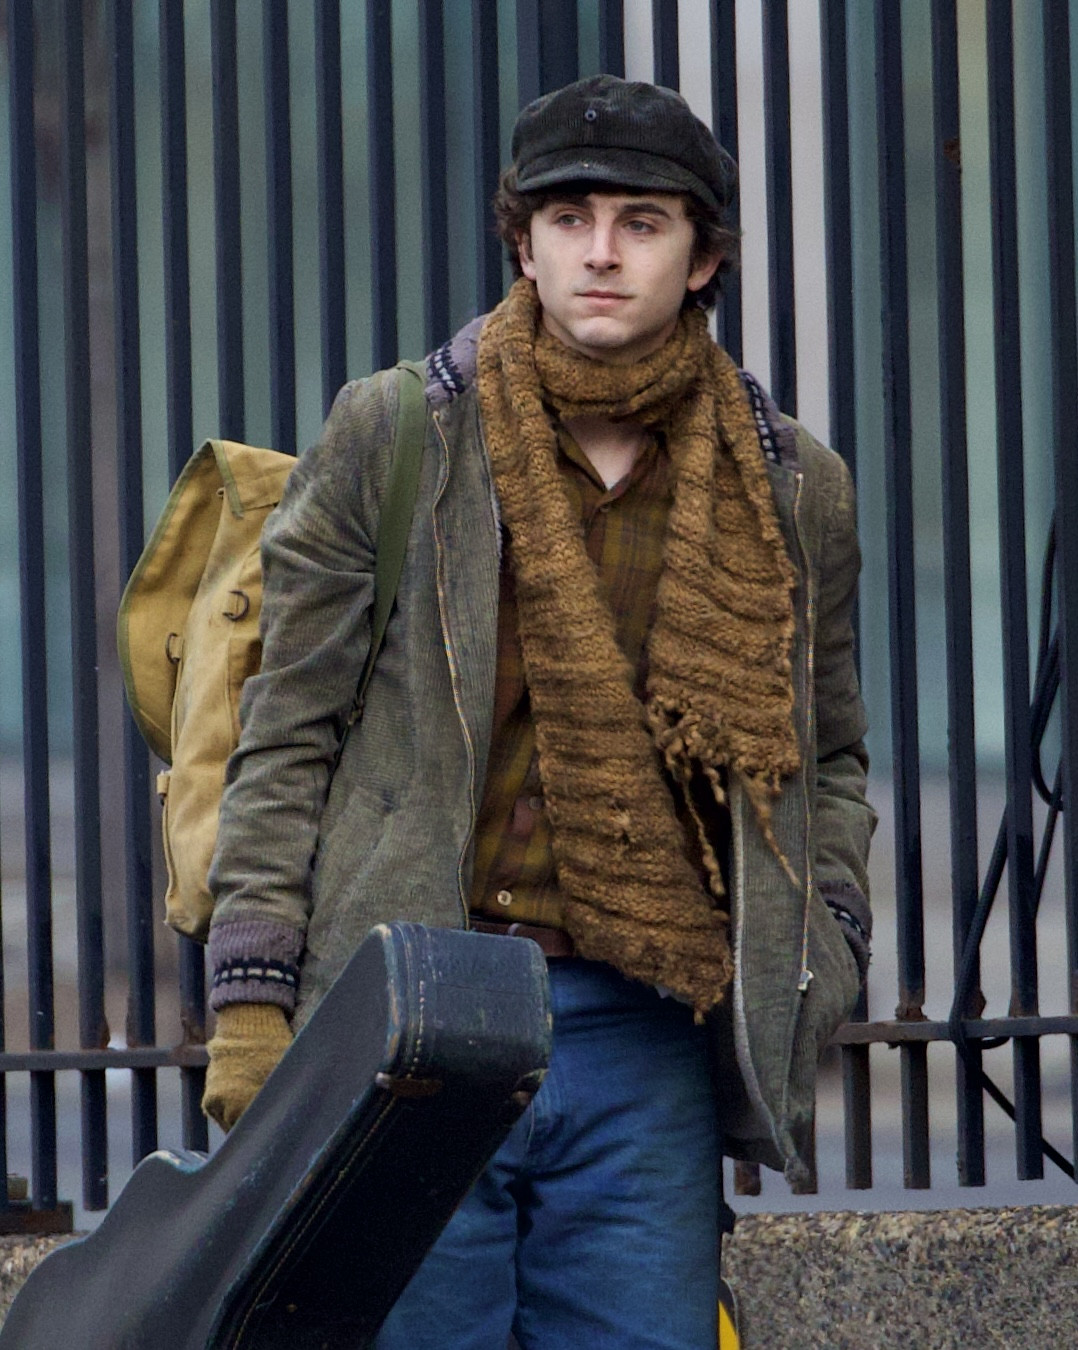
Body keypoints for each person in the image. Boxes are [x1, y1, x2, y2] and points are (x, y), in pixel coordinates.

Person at [201, 74, 875, 1350]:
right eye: (569, 219)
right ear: (523, 243)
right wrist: (252, 998)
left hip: (648, 1031)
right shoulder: (398, 433)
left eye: (642, 222)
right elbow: (286, 730)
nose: (601, 253)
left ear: (703, 258)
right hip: (420, 1008)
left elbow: (826, 750)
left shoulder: (792, 484)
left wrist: (827, 937)